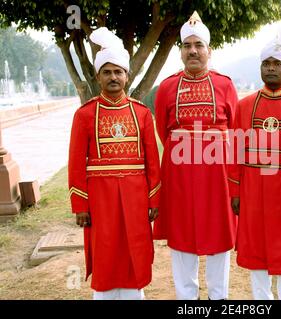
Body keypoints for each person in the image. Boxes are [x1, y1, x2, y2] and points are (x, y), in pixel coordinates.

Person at [68, 27, 161, 300]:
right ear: (98, 77)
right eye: (107, 72)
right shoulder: (85, 115)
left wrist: (154, 200)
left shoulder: (142, 113)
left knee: (135, 247)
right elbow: (75, 163)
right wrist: (80, 205)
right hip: (99, 198)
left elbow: (152, 162)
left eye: (118, 72)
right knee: (105, 249)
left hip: (136, 196)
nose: (113, 77)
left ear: (127, 76)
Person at [152, 11, 238, 300]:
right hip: (179, 177)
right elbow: (163, 131)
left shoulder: (225, 85)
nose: (193, 50)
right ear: (180, 52)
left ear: (209, 51)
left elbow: (236, 130)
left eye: (198, 45)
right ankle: (186, 299)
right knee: (181, 239)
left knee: (219, 239)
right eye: (187, 45)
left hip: (218, 178)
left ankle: (219, 298)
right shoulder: (166, 87)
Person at [228, 34, 281, 300]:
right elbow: (235, 154)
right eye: (266, 63)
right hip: (254, 194)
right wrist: (235, 192)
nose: (271, 68)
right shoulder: (244, 106)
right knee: (257, 259)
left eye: (277, 63)